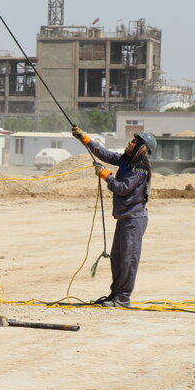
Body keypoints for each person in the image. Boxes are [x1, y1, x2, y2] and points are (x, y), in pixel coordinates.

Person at [72, 127, 157, 307]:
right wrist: (85, 139)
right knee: (118, 258)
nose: (129, 142)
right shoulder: (127, 161)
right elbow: (106, 155)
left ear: (140, 148)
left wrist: (105, 175)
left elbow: (121, 187)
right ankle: (116, 294)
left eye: (133, 141)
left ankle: (123, 297)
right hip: (125, 218)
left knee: (128, 259)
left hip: (134, 219)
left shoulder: (139, 169)